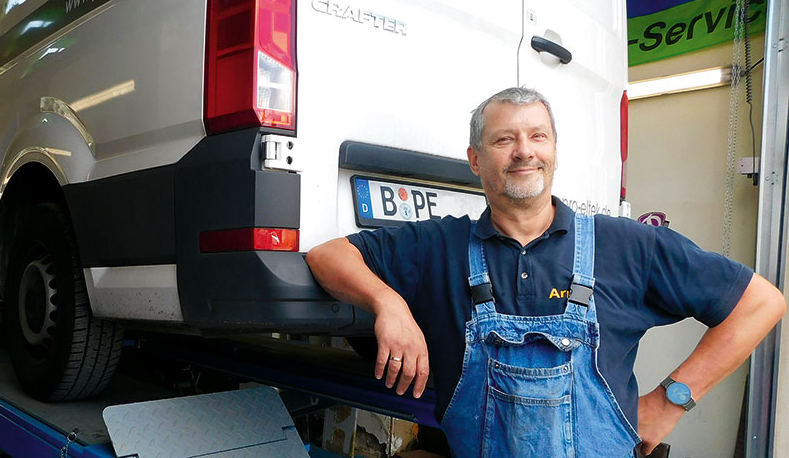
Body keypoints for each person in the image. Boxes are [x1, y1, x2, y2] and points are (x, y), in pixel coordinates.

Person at [306, 87, 786, 457]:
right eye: (503, 139)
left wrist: (670, 401)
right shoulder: (439, 245)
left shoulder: (625, 244)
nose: (523, 151)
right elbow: (327, 256)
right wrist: (388, 303)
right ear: (475, 159)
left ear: (554, 150)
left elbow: (761, 303)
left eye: (537, 136)